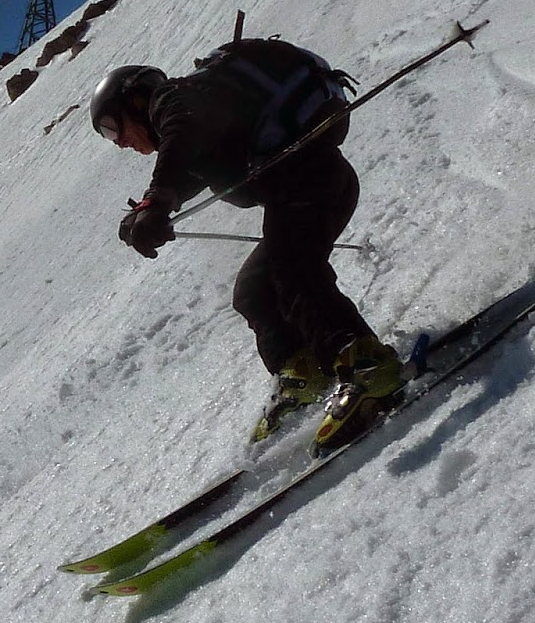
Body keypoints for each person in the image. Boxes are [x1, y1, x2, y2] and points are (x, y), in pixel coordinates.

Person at [90, 37, 403, 448]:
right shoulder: (201, 118)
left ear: (135, 102)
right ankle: (302, 376)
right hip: (314, 184)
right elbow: (189, 167)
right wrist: (152, 210)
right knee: (254, 290)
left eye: (113, 127)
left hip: (308, 179)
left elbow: (179, 133)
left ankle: (365, 365)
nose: (118, 141)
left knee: (292, 273)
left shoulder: (171, 99)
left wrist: (156, 200)